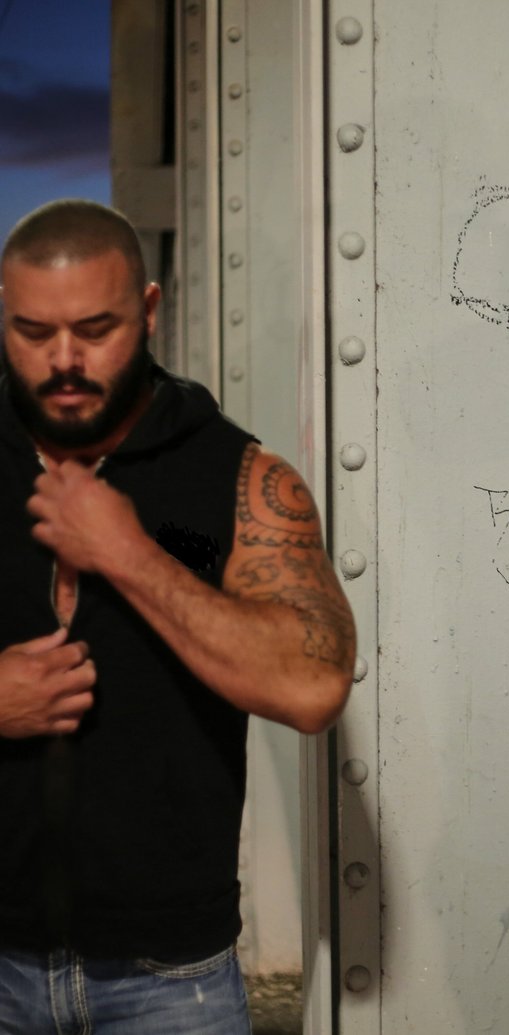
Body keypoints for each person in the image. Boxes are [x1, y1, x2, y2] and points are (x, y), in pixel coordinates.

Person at [0, 199, 355, 1033]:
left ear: (150, 311)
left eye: (96, 329)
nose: (63, 361)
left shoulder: (235, 475)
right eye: (30, 331)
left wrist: (129, 553)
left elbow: (312, 684)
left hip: (169, 984)